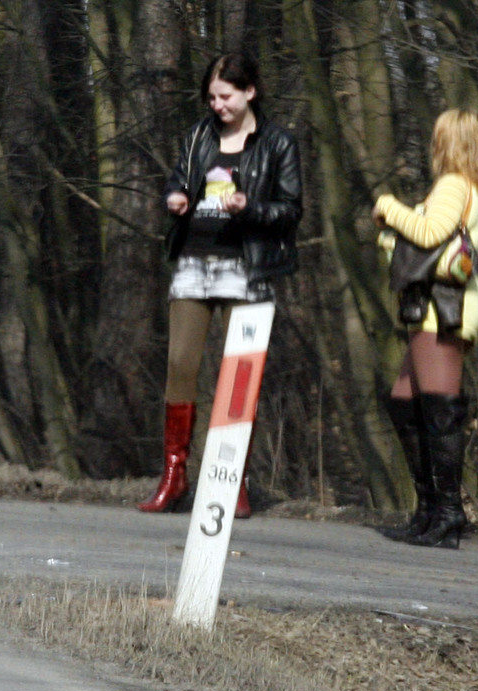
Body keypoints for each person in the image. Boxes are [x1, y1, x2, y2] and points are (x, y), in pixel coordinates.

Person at [136, 53, 303, 516]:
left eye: (225, 96)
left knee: (239, 377)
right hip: (194, 263)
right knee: (181, 365)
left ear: (250, 92)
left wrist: (248, 208)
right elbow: (180, 177)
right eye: (211, 97)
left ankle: (232, 482)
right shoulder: (197, 136)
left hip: (248, 269)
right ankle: (174, 477)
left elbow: (290, 210)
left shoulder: (278, 143)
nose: (217, 105)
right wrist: (176, 196)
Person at [372, 109, 478, 548]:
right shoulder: (477, 189)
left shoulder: (454, 185)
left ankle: (447, 513)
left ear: (448, 143)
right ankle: (430, 508)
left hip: (444, 310)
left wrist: (389, 207)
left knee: (439, 410)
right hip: (445, 308)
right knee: (404, 403)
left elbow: (431, 233)